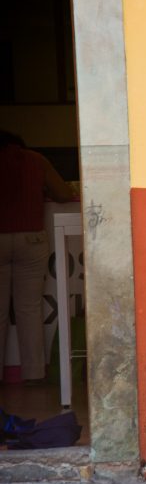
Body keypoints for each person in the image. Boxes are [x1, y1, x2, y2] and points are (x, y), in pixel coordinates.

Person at [0, 130, 73, 384]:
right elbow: (64, 194)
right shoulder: (35, 159)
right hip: (31, 238)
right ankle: (34, 374)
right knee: (28, 309)